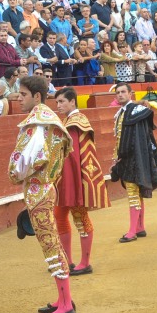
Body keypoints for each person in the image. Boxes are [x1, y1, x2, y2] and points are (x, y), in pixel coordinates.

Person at [8, 75, 77, 313]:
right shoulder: (50, 120)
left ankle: (66, 305)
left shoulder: (37, 124)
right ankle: (63, 299)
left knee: (51, 246)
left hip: (39, 190)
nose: (19, 99)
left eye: (23, 94)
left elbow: (27, 160)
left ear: (37, 96)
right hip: (47, 186)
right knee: (52, 243)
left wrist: (14, 173)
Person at [52, 86, 111, 276]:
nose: (58, 105)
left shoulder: (75, 123)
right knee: (59, 215)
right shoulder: (71, 121)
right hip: (66, 178)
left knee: (80, 217)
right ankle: (67, 261)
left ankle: (85, 263)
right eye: (57, 102)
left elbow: (72, 157)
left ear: (72, 102)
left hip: (73, 179)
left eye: (62, 101)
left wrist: (73, 184)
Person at [111, 81, 157, 242]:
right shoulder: (122, 113)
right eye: (117, 93)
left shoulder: (134, 111)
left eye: (123, 92)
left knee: (133, 193)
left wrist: (122, 155)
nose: (120, 95)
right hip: (128, 158)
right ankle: (139, 228)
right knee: (137, 193)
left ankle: (132, 232)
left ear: (130, 94)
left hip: (134, 158)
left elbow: (139, 136)